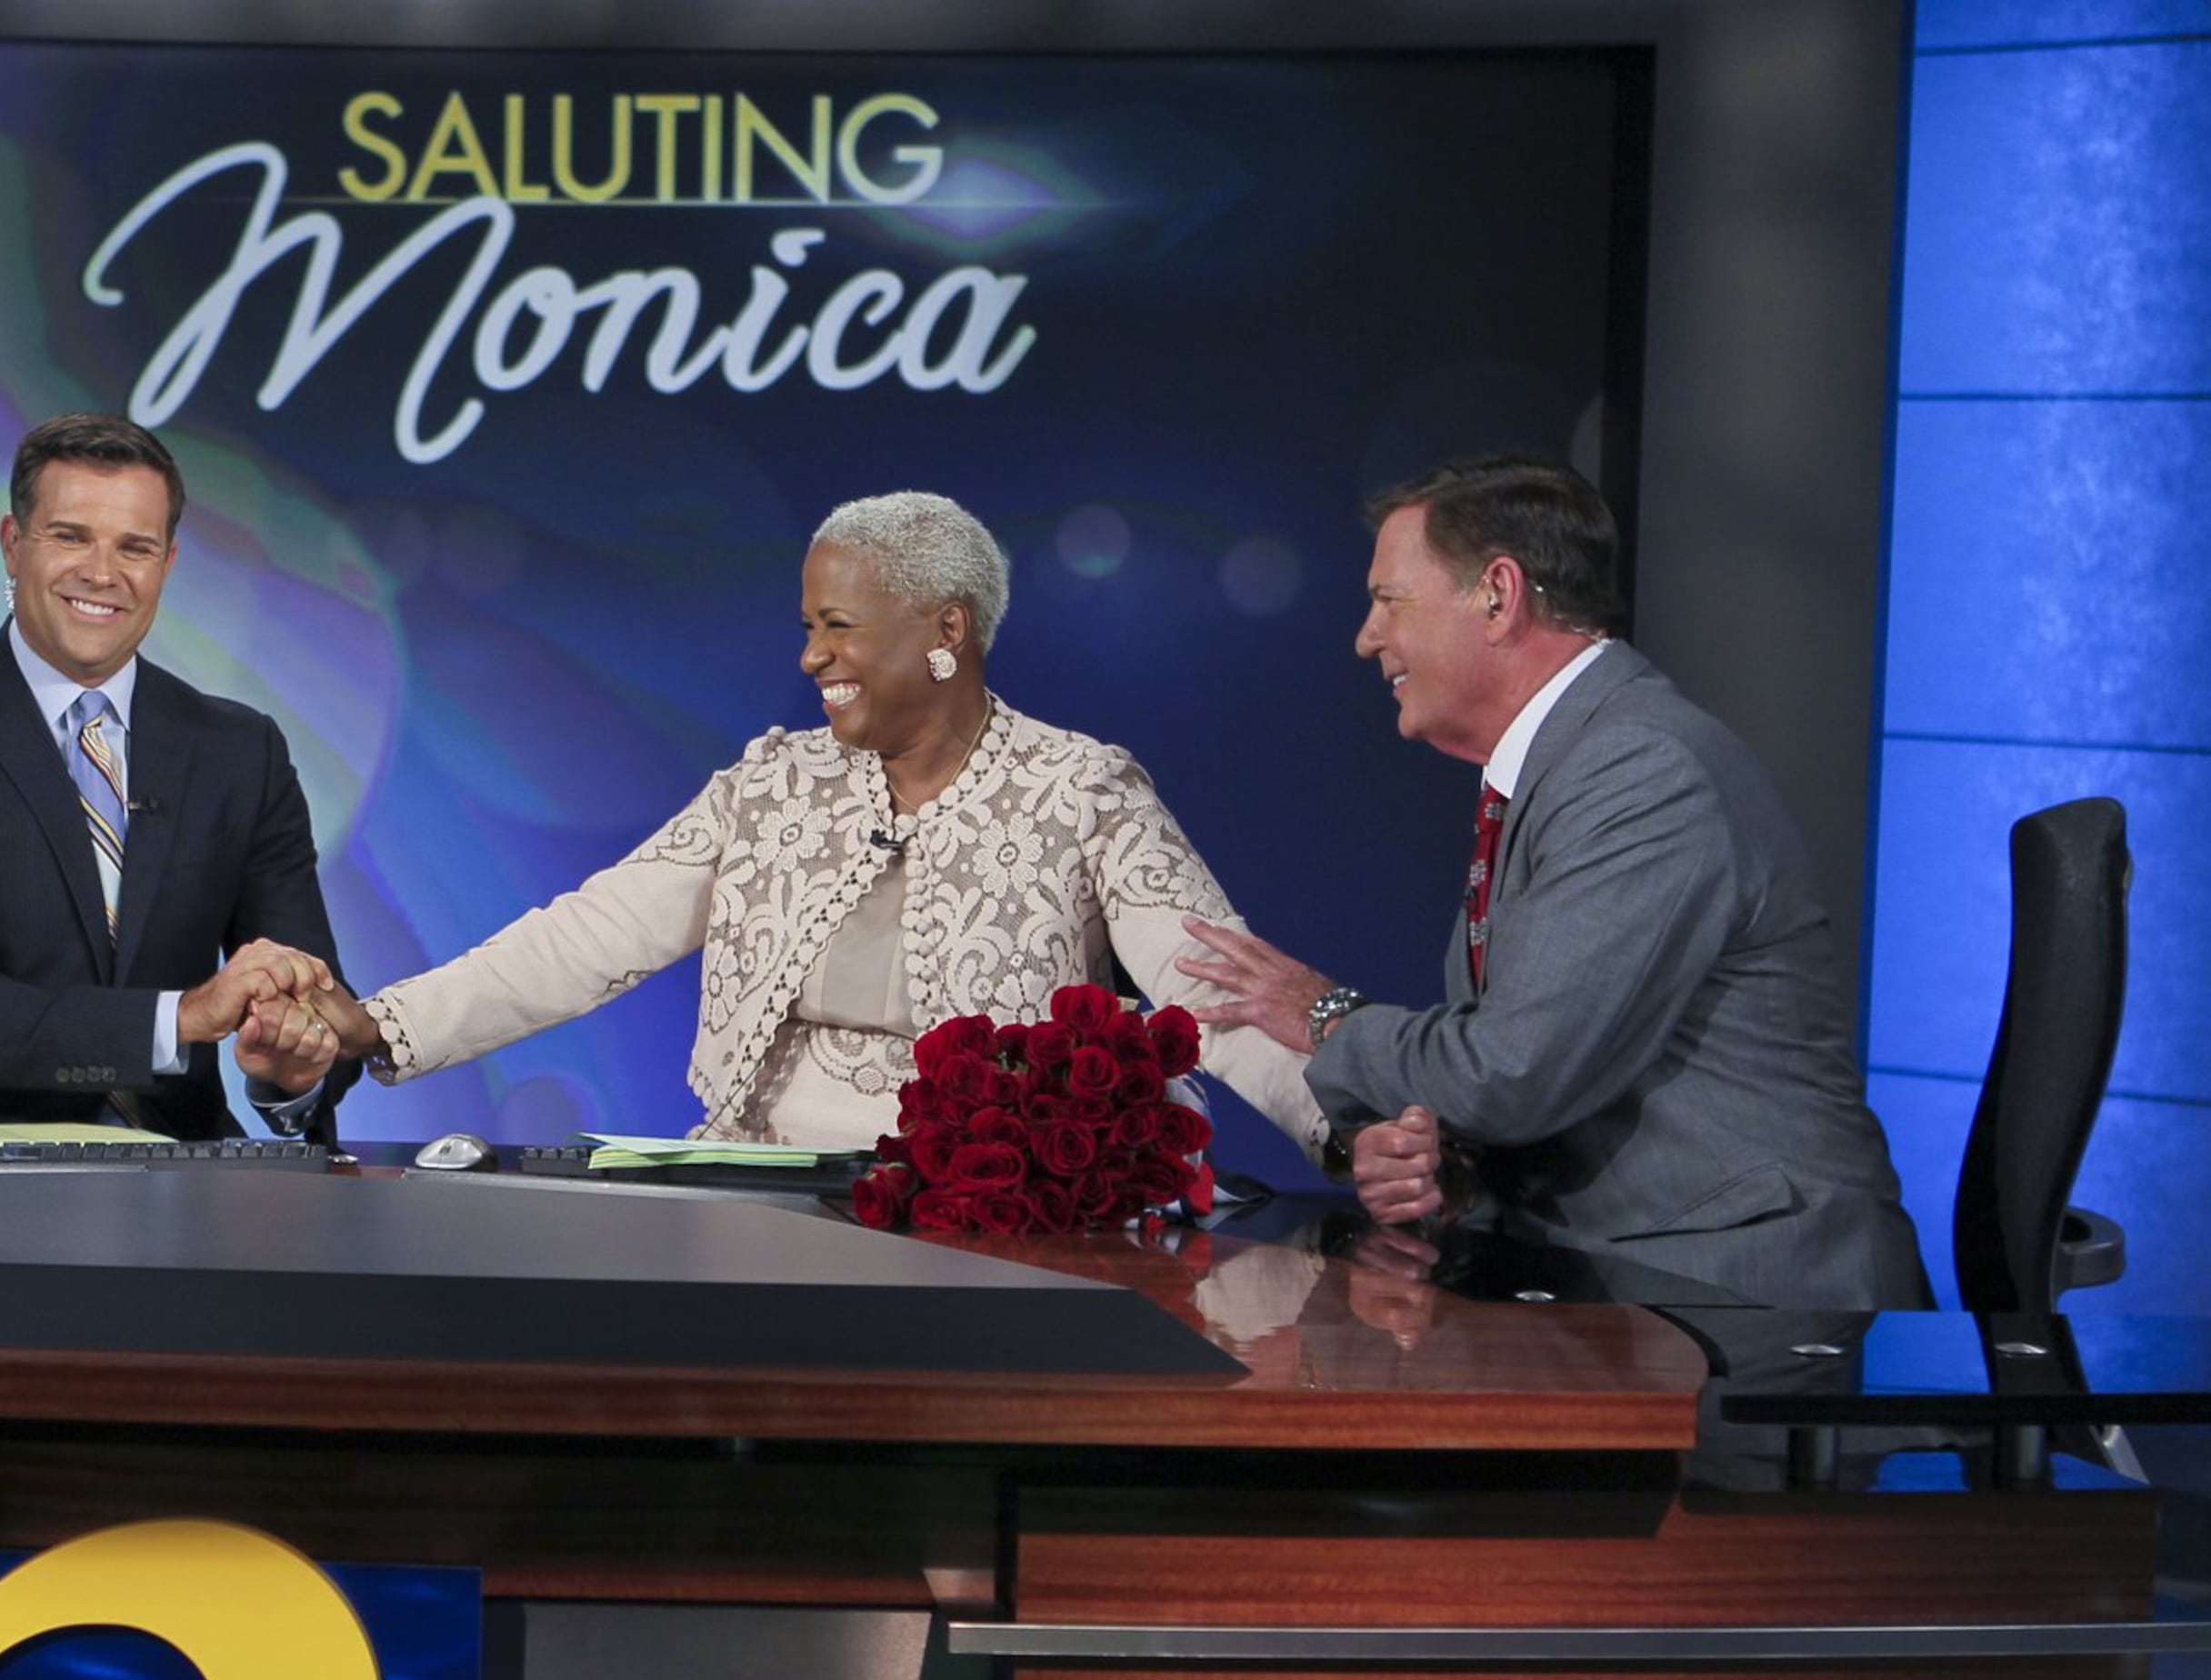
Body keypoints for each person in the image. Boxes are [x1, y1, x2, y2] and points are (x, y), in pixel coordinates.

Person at [283, 491, 1326, 1156]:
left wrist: (1346, 1136)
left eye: (838, 627)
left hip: (995, 1212)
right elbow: (589, 935)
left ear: (944, 630)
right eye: (806, 627)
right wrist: (382, 1024)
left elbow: (1215, 996)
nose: (812, 657)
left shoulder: (1082, 790)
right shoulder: (772, 786)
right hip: (762, 1184)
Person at [1176, 454, 1928, 1310]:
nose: (1366, 636)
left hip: (1744, 1300)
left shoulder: (1642, 769)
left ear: (1497, 595)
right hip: (1616, 1278)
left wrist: (1320, 1014)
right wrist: (1438, 1160)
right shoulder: (1565, 766)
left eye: (1390, 601)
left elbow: (1513, 1073)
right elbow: (1534, 1074)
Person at [0, 414, 348, 1140]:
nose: (102, 574)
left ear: (166, 564)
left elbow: (317, 992)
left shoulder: (239, 749)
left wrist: (291, 1059)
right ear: (13, 546)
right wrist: (185, 1017)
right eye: (71, 536)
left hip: (180, 1180)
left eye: (134, 547)